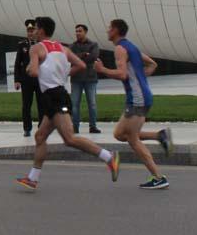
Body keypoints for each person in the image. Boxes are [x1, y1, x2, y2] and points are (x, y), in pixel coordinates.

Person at [15, 17, 118, 190]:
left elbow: (32, 72)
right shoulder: (63, 48)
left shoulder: (36, 48)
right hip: (55, 95)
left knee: (69, 139)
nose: (35, 31)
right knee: (40, 136)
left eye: (36, 28)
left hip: (55, 96)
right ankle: (32, 178)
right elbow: (81, 65)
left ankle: (109, 157)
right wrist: (63, 74)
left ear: (40, 30)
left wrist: (29, 69)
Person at [94, 18, 173, 189]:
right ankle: (160, 136)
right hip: (142, 96)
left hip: (137, 99)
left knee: (131, 138)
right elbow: (153, 64)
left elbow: (122, 74)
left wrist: (103, 70)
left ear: (115, 30)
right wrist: (140, 77)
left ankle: (158, 177)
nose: (107, 30)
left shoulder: (120, 49)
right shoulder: (132, 47)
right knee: (119, 134)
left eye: (109, 28)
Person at [69, 24, 101, 134]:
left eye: (80, 31)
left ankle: (93, 126)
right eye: (76, 31)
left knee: (92, 104)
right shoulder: (72, 46)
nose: (77, 33)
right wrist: (84, 54)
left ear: (85, 32)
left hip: (90, 78)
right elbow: (70, 58)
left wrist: (78, 57)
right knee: (74, 104)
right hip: (76, 79)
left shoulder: (93, 44)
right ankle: (75, 127)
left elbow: (94, 57)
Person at [13, 19, 39, 137]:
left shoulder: (40, 44)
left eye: (32, 30)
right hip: (26, 80)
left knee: (42, 104)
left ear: (36, 31)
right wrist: (17, 80)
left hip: (39, 79)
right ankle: (27, 128)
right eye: (28, 31)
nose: (30, 33)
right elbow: (18, 63)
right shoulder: (22, 45)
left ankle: (41, 127)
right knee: (26, 105)